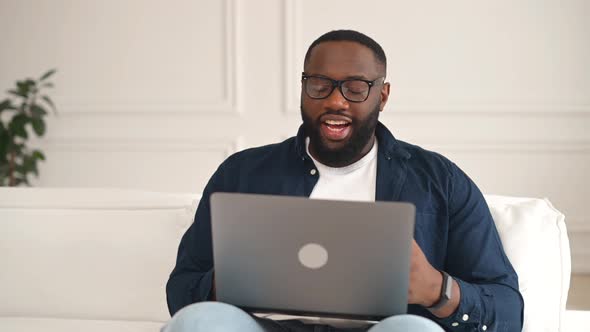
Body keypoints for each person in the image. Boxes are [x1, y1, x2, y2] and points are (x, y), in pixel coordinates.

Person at [164, 30, 524, 332]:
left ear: (382, 96)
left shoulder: (440, 180)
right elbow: (180, 289)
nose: (335, 100)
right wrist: (225, 279)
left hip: (387, 328)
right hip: (266, 327)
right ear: (304, 88)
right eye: (320, 85)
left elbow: (509, 310)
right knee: (198, 322)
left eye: (356, 87)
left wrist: (437, 290)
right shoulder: (242, 172)